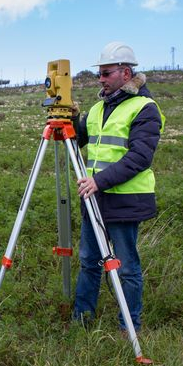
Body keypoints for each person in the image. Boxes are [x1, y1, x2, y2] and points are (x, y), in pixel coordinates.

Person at [72, 42, 165, 334]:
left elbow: (140, 157)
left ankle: (129, 326)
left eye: (106, 73)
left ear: (125, 73)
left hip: (125, 200)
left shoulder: (144, 108)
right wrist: (70, 120)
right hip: (94, 199)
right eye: (99, 73)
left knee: (126, 268)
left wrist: (99, 181)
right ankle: (82, 318)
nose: (100, 79)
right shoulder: (98, 108)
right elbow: (79, 140)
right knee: (89, 261)